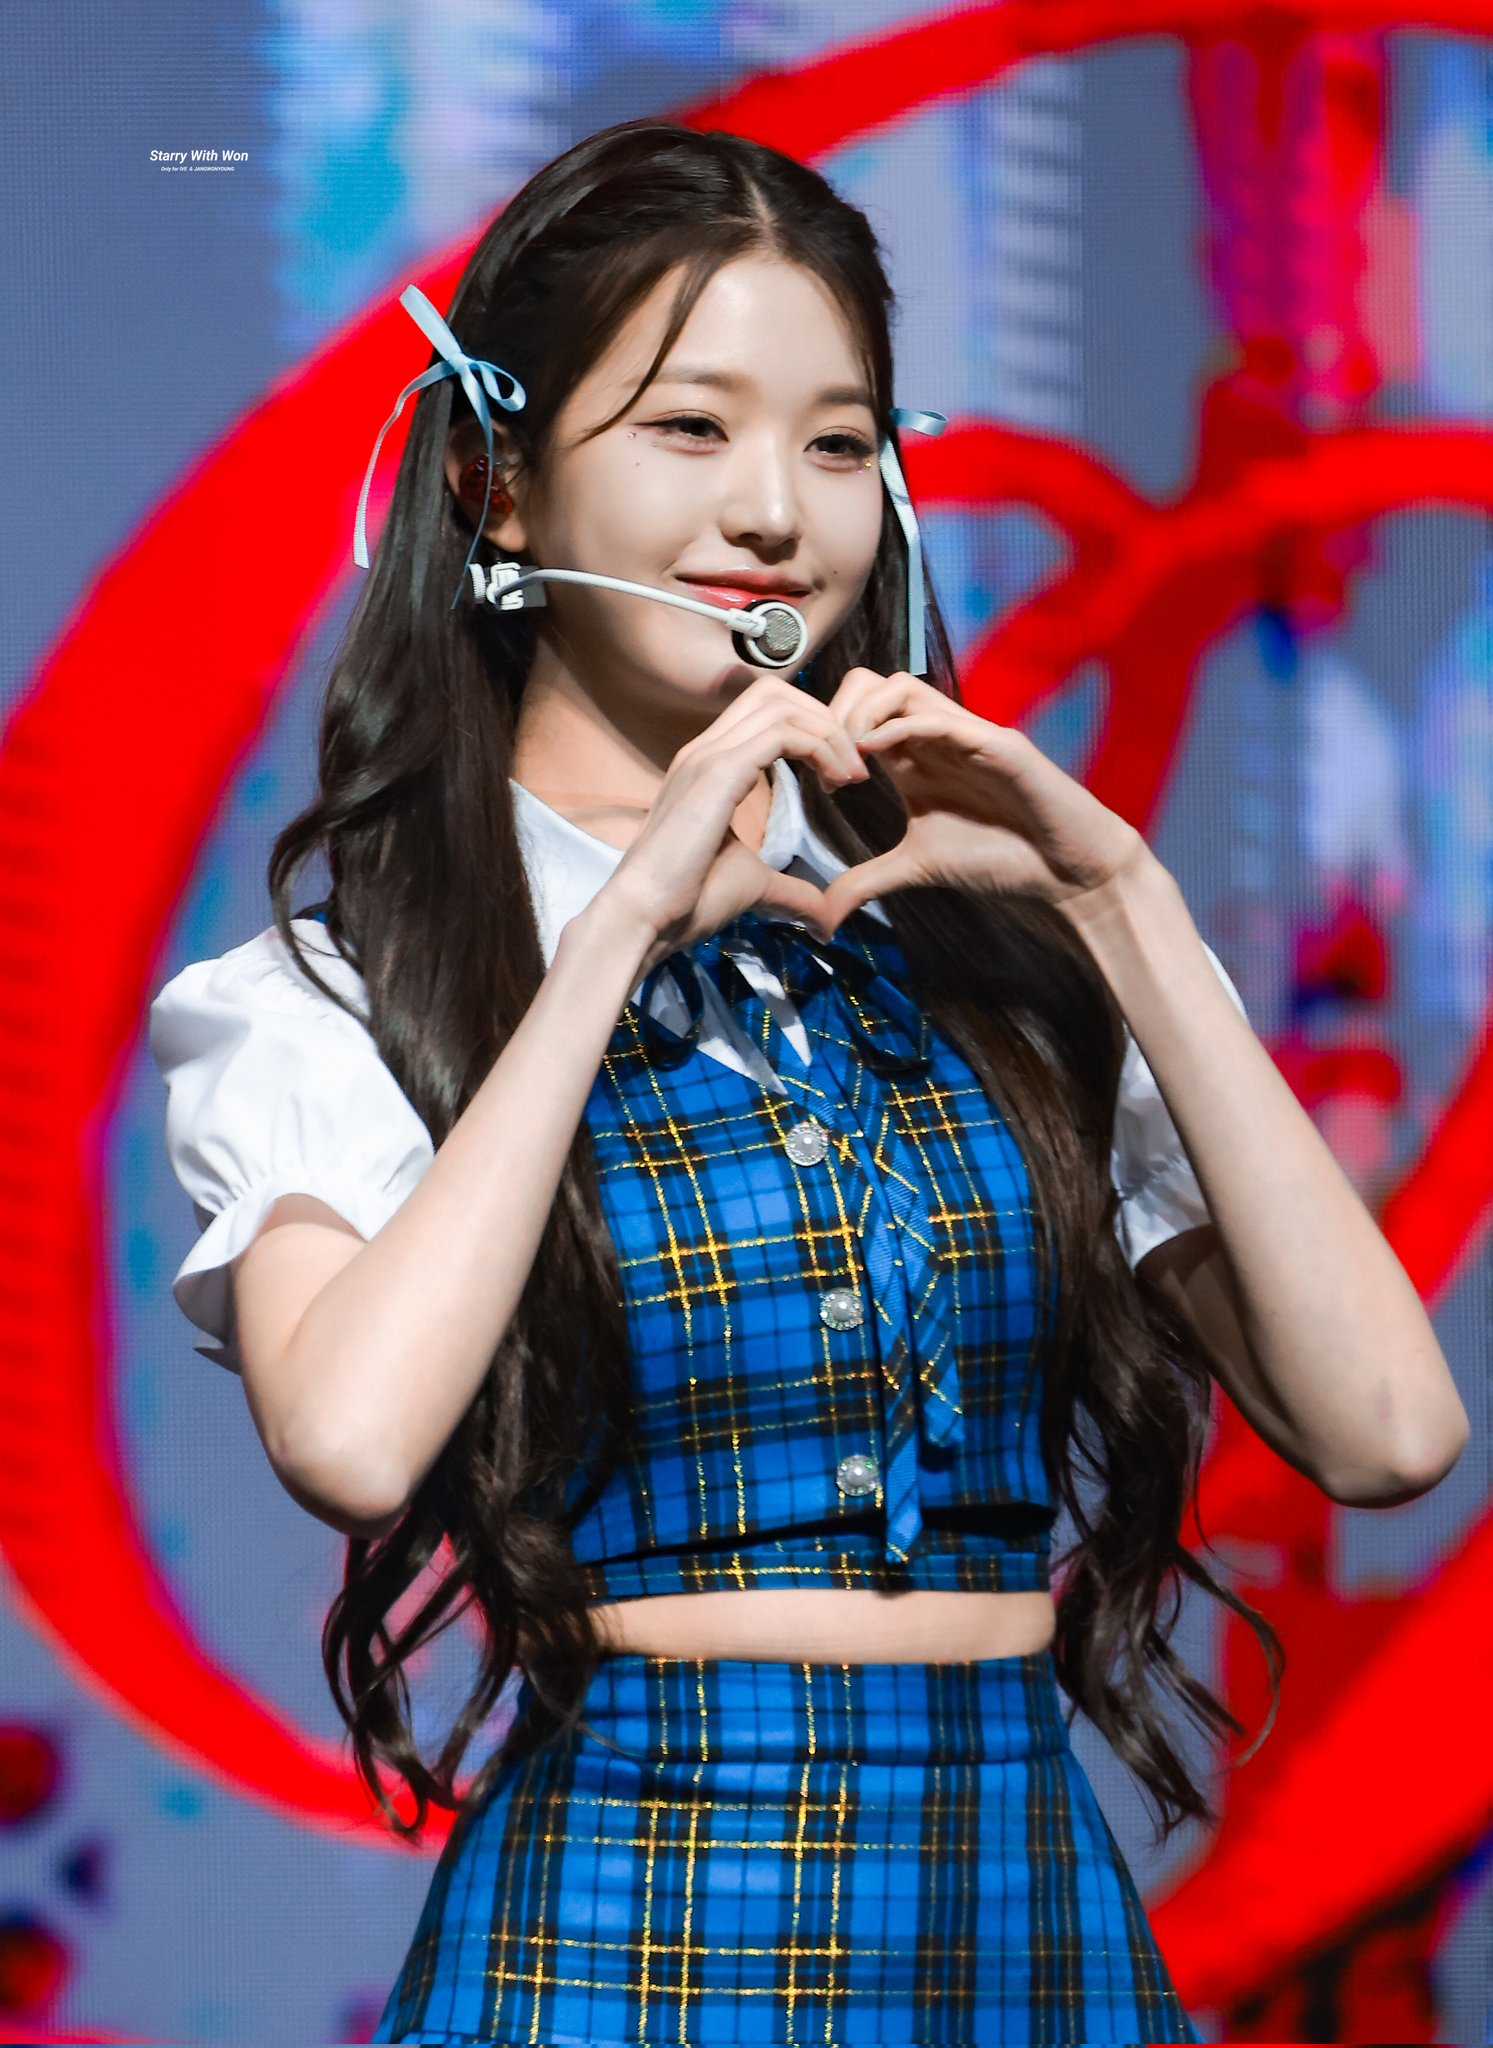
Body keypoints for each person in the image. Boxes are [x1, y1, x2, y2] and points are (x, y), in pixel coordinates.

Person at [147, 119, 1468, 2046]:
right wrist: (610, 941)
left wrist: (1124, 902)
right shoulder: (343, 993)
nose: (775, 513)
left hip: (1020, 1928)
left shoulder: (995, 952)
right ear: (497, 481)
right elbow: (347, 1440)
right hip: (628, 1924)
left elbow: (1389, 1428)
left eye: (840, 446)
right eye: (690, 429)